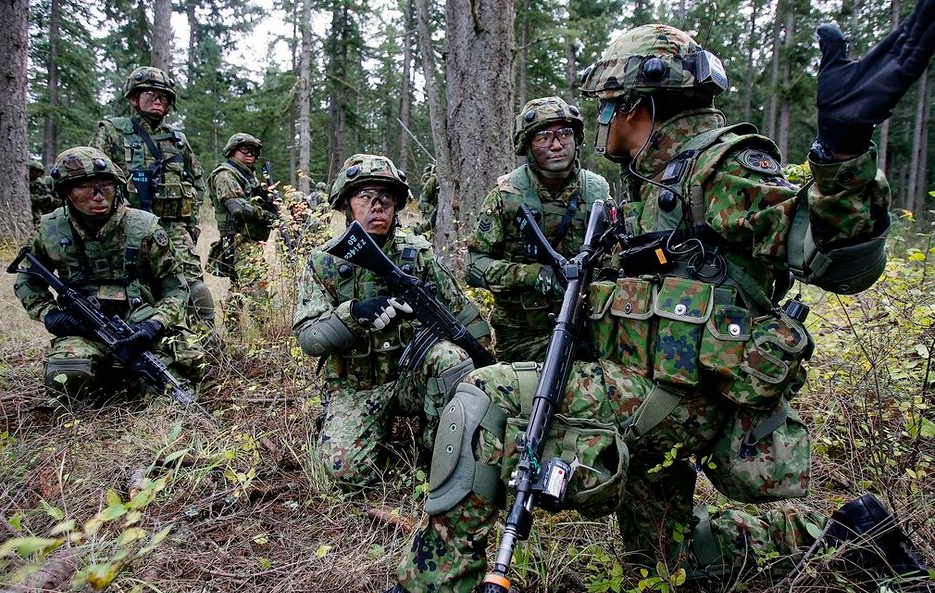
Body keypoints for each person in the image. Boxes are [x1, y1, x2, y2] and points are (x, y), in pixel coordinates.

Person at [390, 17, 934, 593]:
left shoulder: (721, 166)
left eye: (607, 106)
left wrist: (843, 151)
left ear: (639, 106)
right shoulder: (651, 182)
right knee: (662, 567)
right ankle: (847, 535)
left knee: (483, 396)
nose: (599, 121)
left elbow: (835, 256)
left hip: (684, 398)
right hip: (650, 380)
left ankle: (432, 583)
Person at [292, 154, 492, 489]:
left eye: (386, 199)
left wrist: (488, 369)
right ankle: (362, 433)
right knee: (344, 475)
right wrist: (353, 313)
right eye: (365, 197)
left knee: (451, 359)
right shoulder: (325, 263)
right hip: (356, 387)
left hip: (410, 380)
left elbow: (463, 316)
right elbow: (309, 339)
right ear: (346, 205)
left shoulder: (418, 255)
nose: (377, 206)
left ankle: (437, 453)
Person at [14, 147, 203, 400]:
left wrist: (154, 323)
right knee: (67, 375)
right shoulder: (51, 230)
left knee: (189, 365)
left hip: (140, 327)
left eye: (105, 185)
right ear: (66, 193)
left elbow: (175, 286)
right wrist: (50, 314)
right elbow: (27, 279)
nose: (98, 196)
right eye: (84, 187)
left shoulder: (144, 227)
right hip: (85, 331)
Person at [466, 96, 612, 362]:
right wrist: (531, 275)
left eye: (564, 134)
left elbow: (616, 255)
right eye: (543, 137)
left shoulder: (596, 192)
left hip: (589, 326)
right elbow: (475, 265)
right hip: (523, 336)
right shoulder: (507, 195)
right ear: (527, 144)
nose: (556, 145)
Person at [90, 66, 215, 330]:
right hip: (127, 226)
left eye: (164, 96)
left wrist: (190, 224)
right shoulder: (112, 132)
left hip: (173, 226)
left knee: (193, 284)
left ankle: (207, 343)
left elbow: (197, 180)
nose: (159, 99)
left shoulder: (178, 140)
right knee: (132, 287)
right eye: (150, 93)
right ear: (134, 98)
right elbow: (92, 180)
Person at [207, 133, 275, 324]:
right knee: (257, 288)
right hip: (238, 240)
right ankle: (266, 335)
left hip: (248, 239)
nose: (249, 154)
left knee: (238, 288)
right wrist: (266, 215)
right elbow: (237, 208)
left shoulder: (248, 177)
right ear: (232, 151)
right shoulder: (225, 175)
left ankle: (234, 334)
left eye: (253, 151)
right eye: (243, 150)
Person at [29, 160, 59, 226]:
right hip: (34, 208)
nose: (37, 173)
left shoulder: (41, 181)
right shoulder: (27, 182)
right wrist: (43, 198)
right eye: (36, 171)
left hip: (44, 207)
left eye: (39, 171)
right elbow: (26, 198)